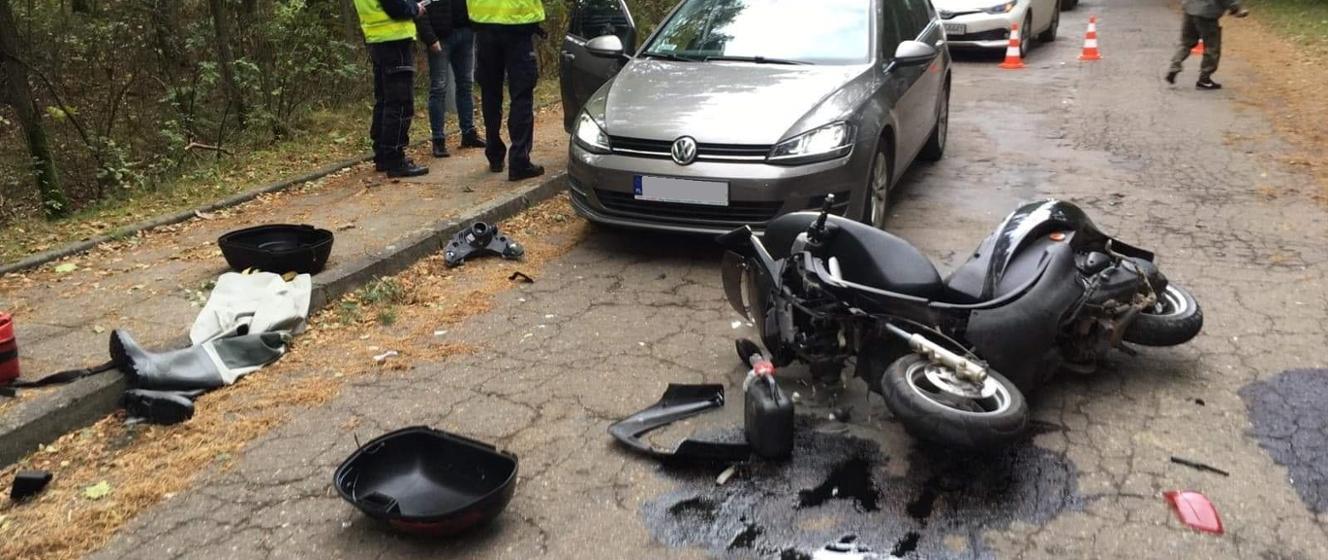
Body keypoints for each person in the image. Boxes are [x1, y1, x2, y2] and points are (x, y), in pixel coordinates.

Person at [467, 0, 546, 181]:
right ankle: (519, 161)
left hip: (484, 21)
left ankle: (494, 155)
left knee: (490, 92)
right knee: (521, 94)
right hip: (518, 22)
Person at [354, 0, 429, 177]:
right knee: (400, 103)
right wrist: (415, 8)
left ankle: (383, 155)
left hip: (377, 38)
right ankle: (394, 158)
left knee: (384, 101)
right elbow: (396, 7)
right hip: (394, 38)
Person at [416, 0, 486, 158]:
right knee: (438, 88)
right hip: (440, 37)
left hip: (466, 31)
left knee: (466, 84)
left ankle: (468, 133)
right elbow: (419, 9)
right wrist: (429, 38)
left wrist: (476, 25)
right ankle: (438, 140)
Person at [1166, 0, 1249, 90]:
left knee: (1186, 43)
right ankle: (1204, 79)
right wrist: (1236, 8)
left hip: (1189, 9)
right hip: (1207, 13)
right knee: (1211, 46)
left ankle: (1174, 66)